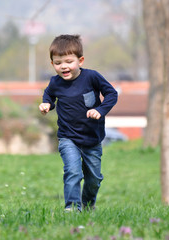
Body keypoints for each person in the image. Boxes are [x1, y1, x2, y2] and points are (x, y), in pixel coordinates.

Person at [39, 34, 118, 212]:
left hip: (92, 139)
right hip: (68, 138)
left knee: (94, 179)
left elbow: (112, 94)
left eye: (68, 61)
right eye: (58, 63)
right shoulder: (55, 83)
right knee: (73, 172)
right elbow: (49, 96)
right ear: (53, 64)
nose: (63, 66)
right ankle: (72, 208)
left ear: (80, 60)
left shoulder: (92, 77)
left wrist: (100, 110)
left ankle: (88, 206)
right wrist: (47, 105)